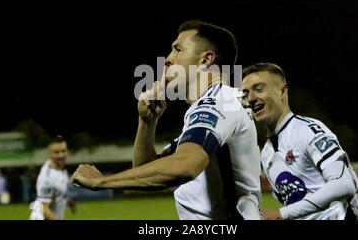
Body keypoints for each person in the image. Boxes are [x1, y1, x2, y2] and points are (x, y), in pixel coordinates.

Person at [71, 20, 262, 220]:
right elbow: (146, 170)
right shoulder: (216, 106)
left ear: (206, 60)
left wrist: (101, 182)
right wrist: (147, 123)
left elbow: (185, 165)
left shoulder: (218, 101)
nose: (168, 59)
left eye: (177, 49)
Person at [241, 63, 358, 220]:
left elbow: (344, 184)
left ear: (282, 90)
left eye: (259, 89)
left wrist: (280, 214)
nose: (251, 98)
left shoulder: (307, 130)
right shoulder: (266, 153)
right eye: (245, 94)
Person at [30, 136, 76, 220]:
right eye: (56, 152)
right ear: (49, 154)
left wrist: (68, 201)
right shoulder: (47, 177)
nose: (61, 155)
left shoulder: (61, 170)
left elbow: (58, 192)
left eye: (63, 151)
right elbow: (43, 208)